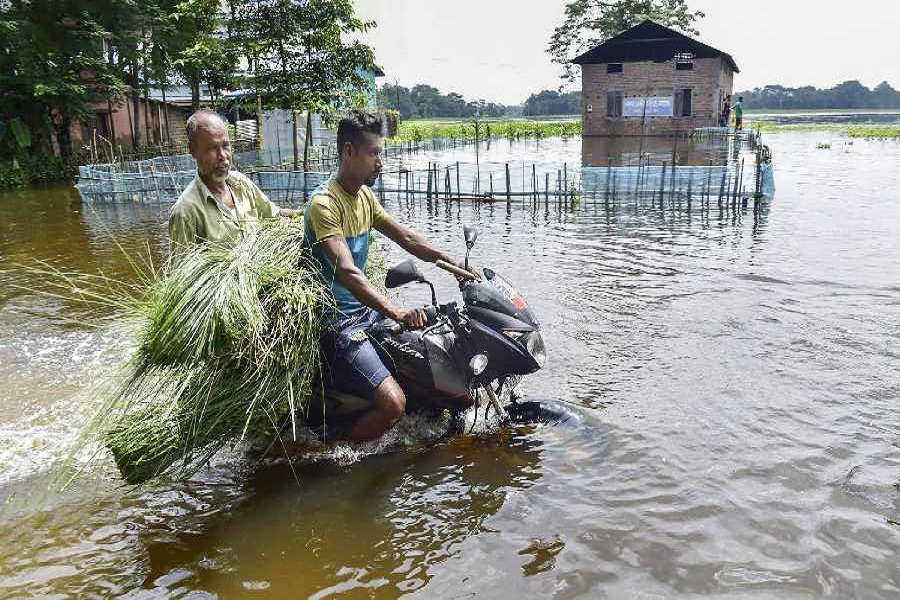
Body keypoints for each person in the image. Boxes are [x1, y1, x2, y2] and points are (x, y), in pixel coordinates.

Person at [304, 111, 466, 442]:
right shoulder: (324, 204)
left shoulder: (365, 197)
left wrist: (455, 266)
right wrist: (396, 310)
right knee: (393, 404)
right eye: (374, 153)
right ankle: (333, 456)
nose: (381, 162)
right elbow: (348, 272)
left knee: (428, 359)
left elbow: (408, 238)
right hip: (338, 325)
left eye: (381, 152)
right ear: (348, 153)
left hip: (367, 314)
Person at [168, 110, 301, 261]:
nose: (223, 156)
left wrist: (306, 214)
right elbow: (185, 276)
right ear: (192, 150)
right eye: (212, 148)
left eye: (225, 145)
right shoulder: (186, 212)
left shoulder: (241, 184)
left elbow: (274, 215)